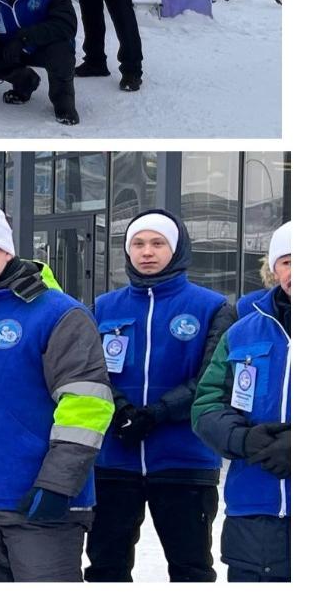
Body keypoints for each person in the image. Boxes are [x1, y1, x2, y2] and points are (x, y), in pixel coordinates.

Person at [0, 198, 114, 582]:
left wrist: (58, 484)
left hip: (38, 503)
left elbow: (86, 407)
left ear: (6, 249)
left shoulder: (57, 313)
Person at [85, 210, 235, 582]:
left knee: (190, 568)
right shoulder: (103, 307)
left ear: (177, 248)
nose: (146, 252)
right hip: (114, 459)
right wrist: (120, 410)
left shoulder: (212, 307)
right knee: (106, 567)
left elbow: (211, 378)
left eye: (157, 243)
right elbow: (89, 370)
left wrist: (156, 413)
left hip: (184, 460)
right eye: (138, 243)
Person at [193, 221, 291, 583]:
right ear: (273, 269)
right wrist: (243, 439)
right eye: (286, 262)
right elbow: (207, 404)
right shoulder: (243, 331)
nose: (296, 272)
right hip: (254, 510)